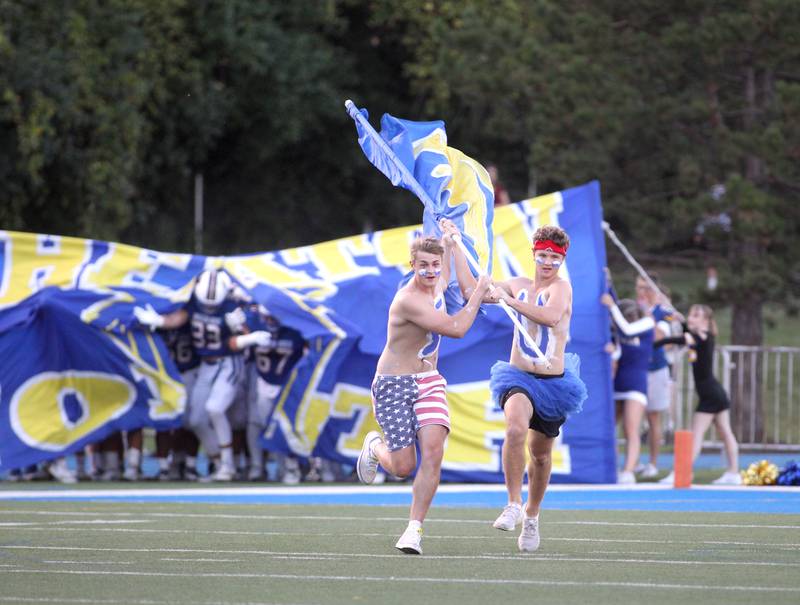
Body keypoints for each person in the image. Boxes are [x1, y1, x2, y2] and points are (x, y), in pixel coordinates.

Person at [356, 224, 491, 555]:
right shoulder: (409, 300)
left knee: (433, 451)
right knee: (403, 468)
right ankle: (375, 448)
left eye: (434, 264)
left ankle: (414, 529)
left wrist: (450, 242)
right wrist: (479, 291)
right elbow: (457, 328)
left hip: (429, 381)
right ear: (412, 266)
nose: (430, 271)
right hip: (393, 386)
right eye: (423, 265)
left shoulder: (436, 283)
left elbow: (445, 275)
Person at [485, 225, 587, 552]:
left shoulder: (562, 288)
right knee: (515, 428)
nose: (547, 262)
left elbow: (550, 316)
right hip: (518, 377)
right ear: (533, 254)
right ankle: (513, 503)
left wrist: (508, 301)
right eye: (542, 255)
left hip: (553, 383)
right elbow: (478, 288)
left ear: (561, 261)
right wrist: (454, 247)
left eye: (554, 258)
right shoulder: (517, 285)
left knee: (540, 457)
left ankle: (531, 514)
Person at [134, 268, 271, 481]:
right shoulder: (194, 302)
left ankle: (228, 466)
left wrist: (245, 335)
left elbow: (242, 337)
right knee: (194, 419)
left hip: (228, 363)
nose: (208, 308)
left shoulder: (230, 306)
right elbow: (179, 318)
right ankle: (219, 463)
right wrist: (160, 321)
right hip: (206, 365)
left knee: (215, 409)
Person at [656, 304, 741, 485]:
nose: (691, 317)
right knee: (725, 432)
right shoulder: (699, 336)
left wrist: (657, 343)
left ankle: (681, 472)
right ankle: (733, 472)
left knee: (696, 435)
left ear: (706, 321)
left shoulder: (703, 336)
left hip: (711, 394)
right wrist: (682, 322)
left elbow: (687, 338)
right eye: (691, 314)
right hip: (715, 393)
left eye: (696, 315)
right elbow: (690, 335)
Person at [601, 295, 655, 484]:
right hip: (617, 385)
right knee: (609, 428)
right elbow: (617, 353)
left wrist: (613, 307)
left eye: (631, 315)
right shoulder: (618, 333)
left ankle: (628, 470)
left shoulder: (647, 324)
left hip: (636, 385)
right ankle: (612, 467)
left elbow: (628, 329)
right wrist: (611, 350)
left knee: (631, 428)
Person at [635, 275, 677, 478]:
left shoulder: (662, 312)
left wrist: (649, 316)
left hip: (655, 370)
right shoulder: (637, 309)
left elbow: (662, 339)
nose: (641, 292)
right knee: (632, 418)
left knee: (653, 417)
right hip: (637, 369)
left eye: (645, 287)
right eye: (638, 287)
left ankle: (653, 463)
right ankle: (634, 462)